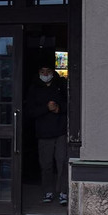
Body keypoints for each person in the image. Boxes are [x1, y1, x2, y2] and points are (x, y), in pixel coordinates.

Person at [24, 59, 68, 205]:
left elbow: (71, 104)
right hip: (43, 132)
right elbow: (30, 111)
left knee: (62, 162)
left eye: (48, 72)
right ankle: (48, 191)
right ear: (38, 73)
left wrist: (58, 108)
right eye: (42, 72)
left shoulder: (61, 85)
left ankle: (63, 192)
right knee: (46, 164)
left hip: (61, 130)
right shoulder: (34, 88)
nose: (45, 74)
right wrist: (46, 108)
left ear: (52, 72)